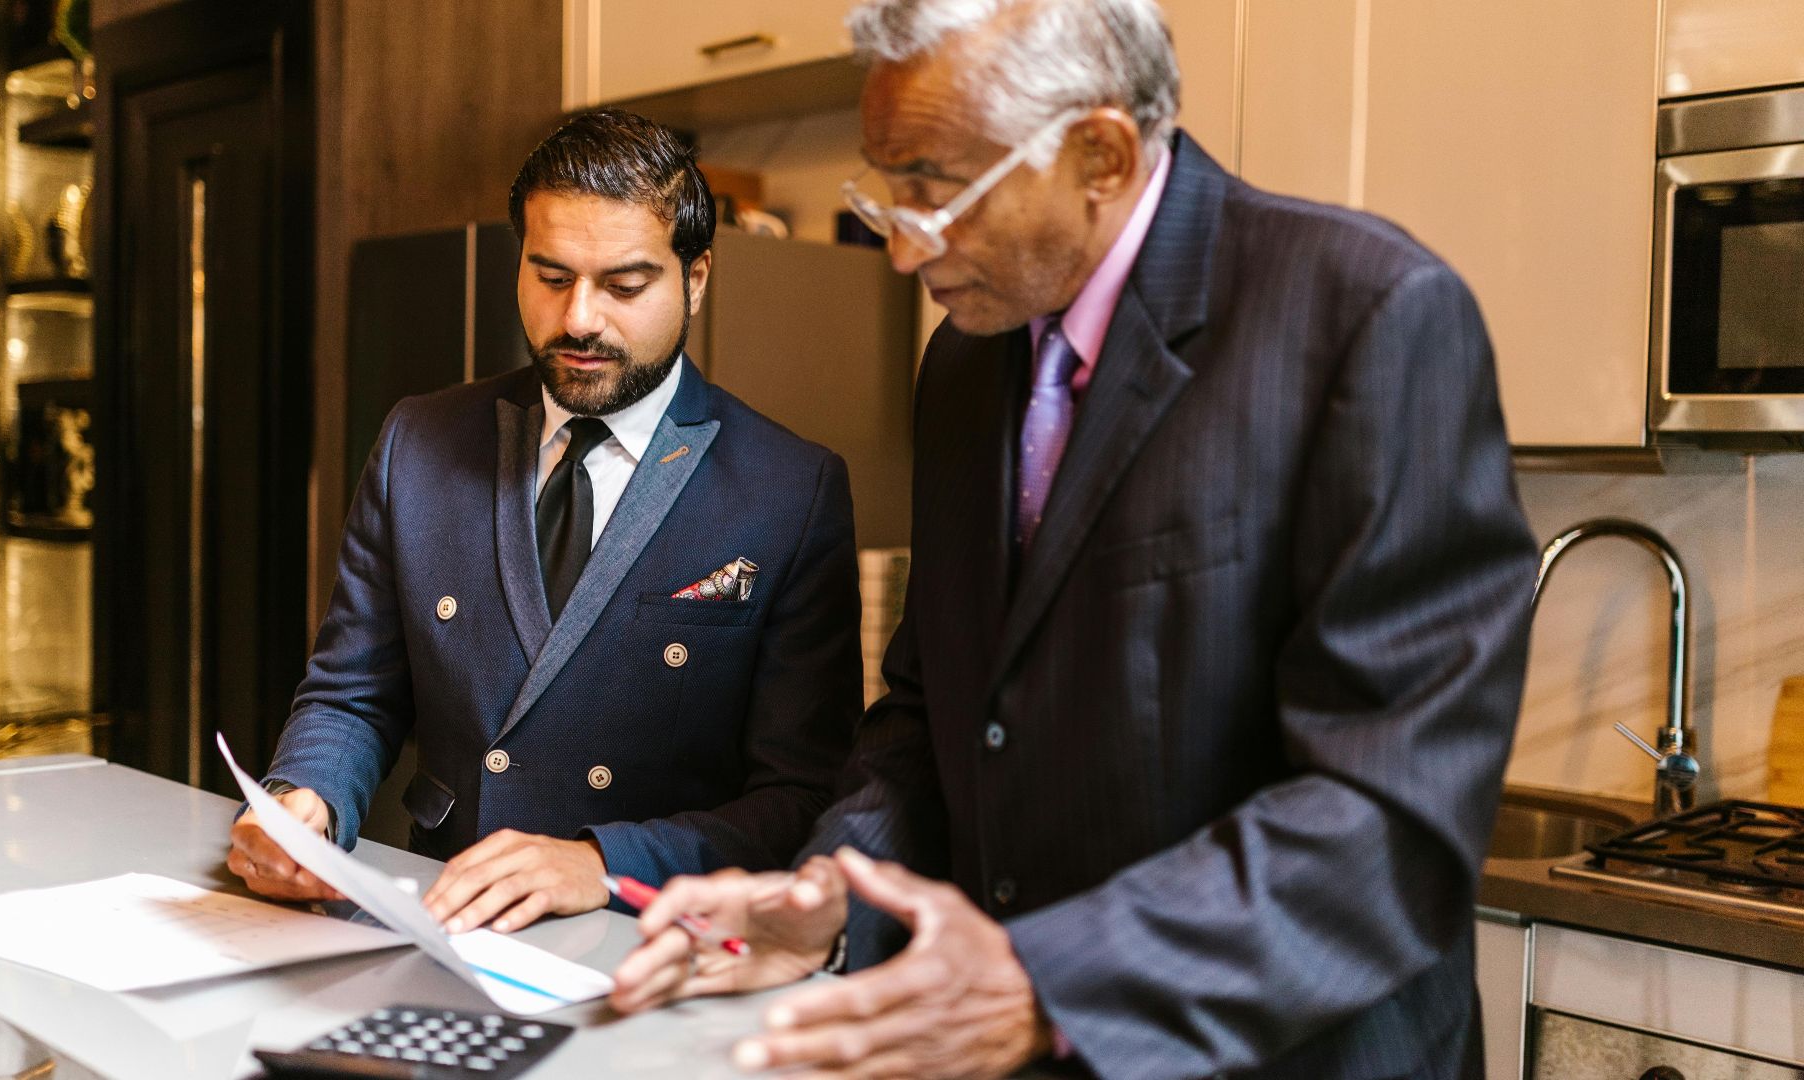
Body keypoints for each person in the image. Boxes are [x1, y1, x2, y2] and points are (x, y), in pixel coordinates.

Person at [608, 2, 1537, 1078]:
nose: (903, 246)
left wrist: (1046, 983)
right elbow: (932, 713)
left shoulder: (1367, 315)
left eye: (933, 187)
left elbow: (1388, 819)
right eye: (887, 185)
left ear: (1099, 152)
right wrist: (829, 895)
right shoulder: (965, 363)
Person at [224, 108, 862, 937]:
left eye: (625, 286)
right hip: (443, 924)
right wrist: (300, 800)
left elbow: (804, 796)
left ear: (696, 278)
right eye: (550, 276)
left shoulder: (791, 489)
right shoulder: (418, 441)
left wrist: (605, 862)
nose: (580, 319)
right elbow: (354, 695)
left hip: (655, 945)